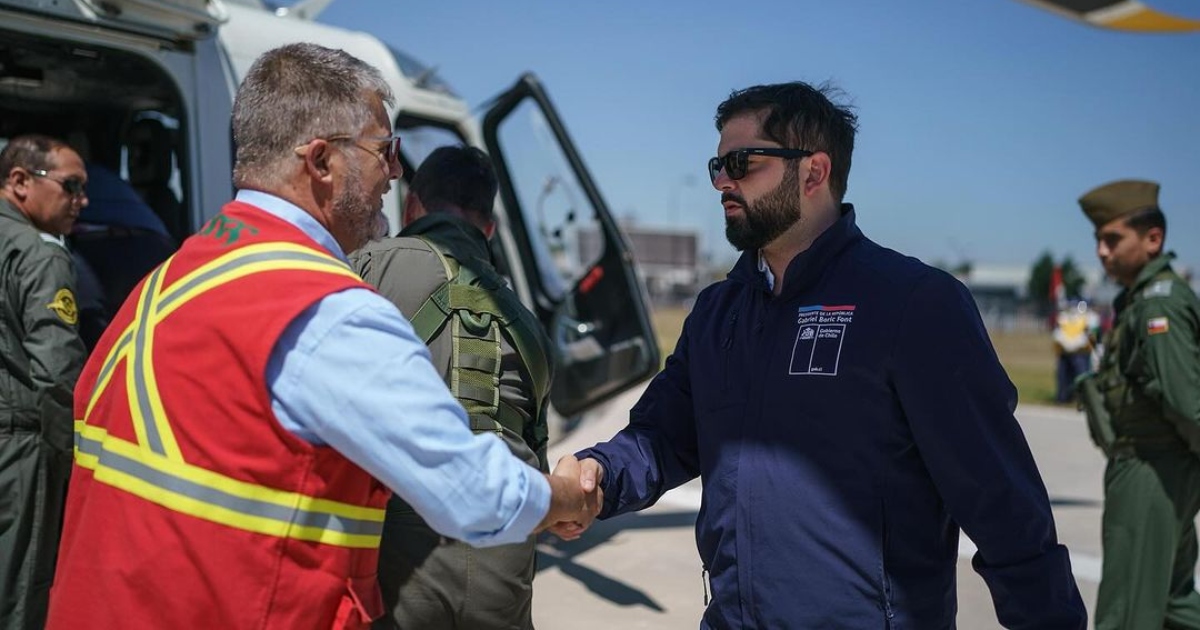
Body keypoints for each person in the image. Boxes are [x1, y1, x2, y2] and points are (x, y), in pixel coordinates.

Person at [44, 43, 595, 630]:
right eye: (386, 150)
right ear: (322, 162)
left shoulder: (165, 282)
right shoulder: (326, 310)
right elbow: (472, 492)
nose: (397, 173)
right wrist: (566, 497)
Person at [553, 81, 1087, 628]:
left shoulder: (913, 304)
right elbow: (662, 435)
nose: (723, 182)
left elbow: (1000, 501)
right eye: (717, 166)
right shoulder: (718, 312)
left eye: (741, 162)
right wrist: (597, 475)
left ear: (813, 172)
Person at [351, 145, 553, 630]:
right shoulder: (526, 324)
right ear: (491, 230)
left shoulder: (365, 266)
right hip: (504, 548)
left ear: (411, 206)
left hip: (402, 542)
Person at [1075, 180, 1200, 630]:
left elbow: (1186, 402)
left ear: (1153, 239)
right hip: (1161, 468)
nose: (1102, 252)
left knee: (1126, 612)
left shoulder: (1156, 305)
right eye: (1098, 241)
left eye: (1112, 239)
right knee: (1172, 602)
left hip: (1153, 468)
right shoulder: (1140, 300)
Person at [0, 134, 88, 630]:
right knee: (19, 598)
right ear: (19, 182)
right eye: (70, 186)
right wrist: (72, 467)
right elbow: (57, 374)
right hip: (20, 450)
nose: (82, 201)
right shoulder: (40, 256)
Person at [1052, 297, 1100, 403]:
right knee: (1063, 378)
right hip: (1065, 352)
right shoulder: (1064, 317)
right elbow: (1057, 334)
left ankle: (1083, 399)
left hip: (1081, 353)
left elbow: (1092, 336)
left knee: (1082, 378)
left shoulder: (1089, 317)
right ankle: (1063, 398)